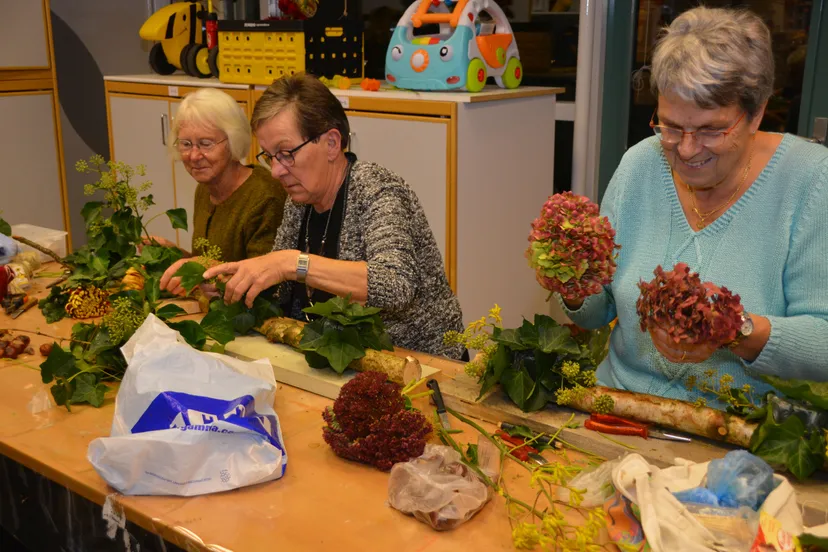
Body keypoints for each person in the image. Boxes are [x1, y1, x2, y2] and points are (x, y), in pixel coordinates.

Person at [560, 7, 828, 403]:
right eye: (670, 126)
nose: (685, 149)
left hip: (741, 431)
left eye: (710, 129)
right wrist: (572, 283)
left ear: (755, 113)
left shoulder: (810, 181)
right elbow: (599, 311)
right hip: (620, 408)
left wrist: (733, 330)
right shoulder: (639, 165)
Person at [196, 74, 464, 358]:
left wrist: (293, 263)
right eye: (270, 156)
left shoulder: (378, 189)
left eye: (286, 153)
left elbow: (396, 284)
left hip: (421, 365)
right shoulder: (299, 200)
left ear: (332, 143)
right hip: (337, 360)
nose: (276, 171)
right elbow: (280, 287)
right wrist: (233, 280)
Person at [158, 88, 286, 290]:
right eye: (186, 144)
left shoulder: (265, 197)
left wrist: (202, 266)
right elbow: (205, 262)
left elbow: (266, 286)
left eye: (205, 144)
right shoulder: (205, 188)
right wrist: (171, 253)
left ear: (233, 141)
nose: (194, 155)